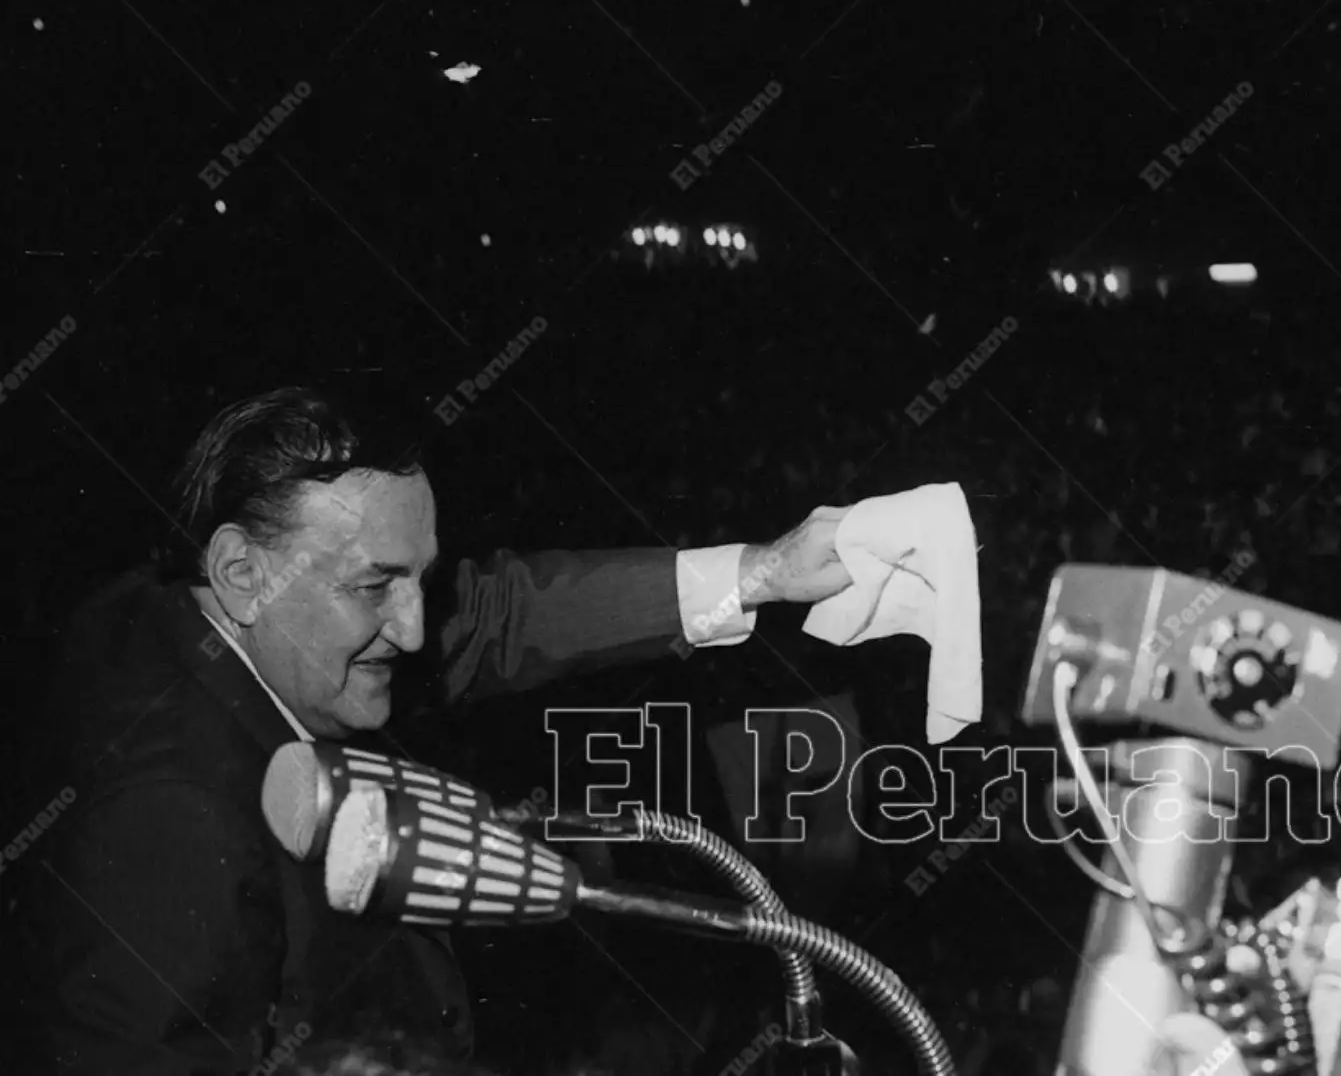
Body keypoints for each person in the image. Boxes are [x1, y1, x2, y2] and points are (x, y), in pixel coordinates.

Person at [17, 387, 853, 1075]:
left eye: (418, 578)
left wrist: (765, 571)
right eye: (376, 586)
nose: (414, 631)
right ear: (242, 572)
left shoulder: (191, 612)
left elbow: (490, 615)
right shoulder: (171, 815)